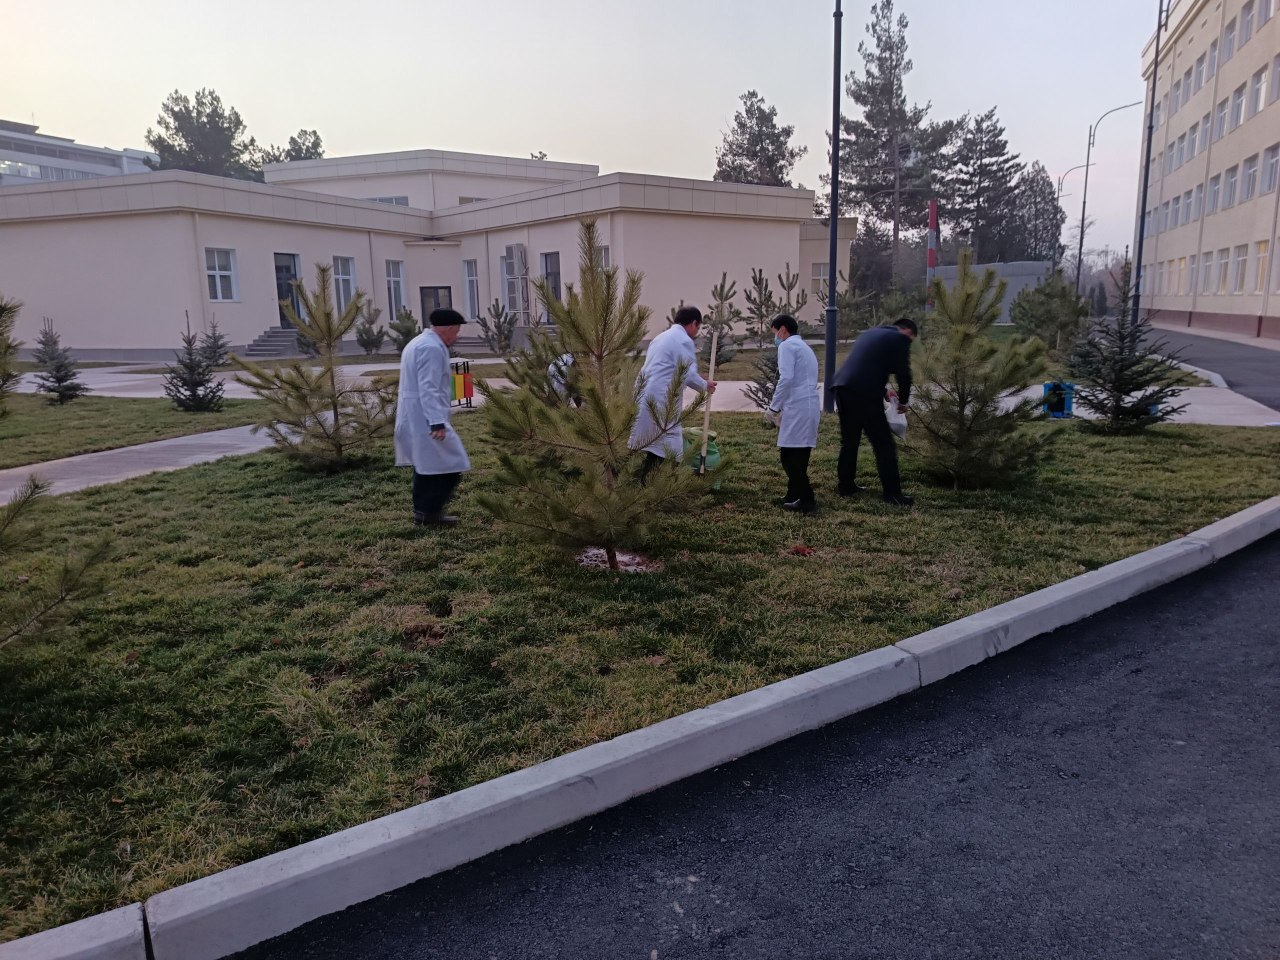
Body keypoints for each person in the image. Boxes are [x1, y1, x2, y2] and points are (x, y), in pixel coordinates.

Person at [394, 307, 472, 526]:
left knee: (426, 466)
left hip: (416, 416)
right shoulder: (431, 348)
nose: (456, 336)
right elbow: (428, 388)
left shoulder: (418, 342)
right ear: (449, 328)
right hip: (426, 419)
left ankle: (423, 513)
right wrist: (436, 422)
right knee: (453, 463)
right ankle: (429, 513)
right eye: (456, 331)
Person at [829, 317, 918, 506]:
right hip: (864, 395)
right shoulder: (900, 338)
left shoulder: (871, 333)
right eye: (911, 340)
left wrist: (884, 391)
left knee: (849, 441)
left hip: (842, 389)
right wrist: (903, 402)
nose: (909, 344)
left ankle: (846, 486)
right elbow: (904, 374)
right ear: (908, 332)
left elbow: (865, 367)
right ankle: (893, 494)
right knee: (884, 444)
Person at [629, 305, 716, 476]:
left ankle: (645, 479)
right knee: (670, 448)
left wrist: (701, 381)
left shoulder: (660, 338)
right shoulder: (683, 340)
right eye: (698, 327)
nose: (696, 332)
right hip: (662, 400)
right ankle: (662, 483)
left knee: (653, 444)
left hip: (644, 393)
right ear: (693, 323)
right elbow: (687, 373)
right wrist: (705, 385)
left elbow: (669, 367)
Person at [765, 314, 820, 513]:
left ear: (782, 330)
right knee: (800, 455)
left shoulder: (787, 346)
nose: (775, 338)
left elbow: (786, 378)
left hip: (798, 407)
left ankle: (807, 499)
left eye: (775, 333)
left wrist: (773, 407)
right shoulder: (804, 347)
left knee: (788, 457)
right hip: (808, 406)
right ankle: (793, 495)